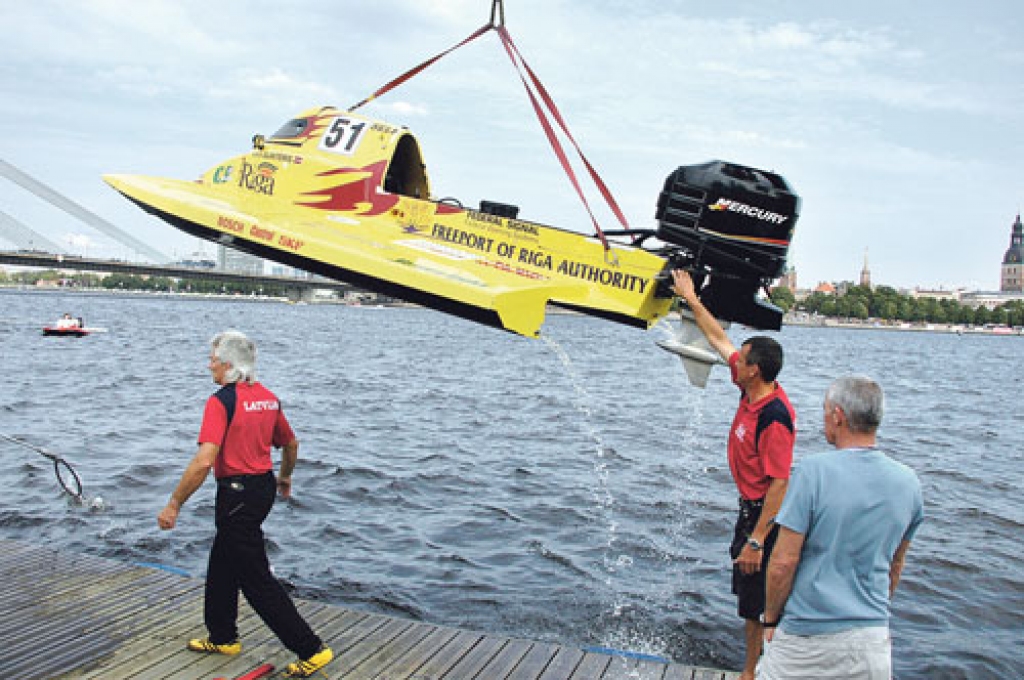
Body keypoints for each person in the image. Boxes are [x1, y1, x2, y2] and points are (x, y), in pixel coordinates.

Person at [157, 330, 333, 678]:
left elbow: (205, 460)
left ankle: (311, 649)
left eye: (212, 360)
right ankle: (223, 637)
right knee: (223, 559)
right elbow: (291, 443)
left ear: (227, 365)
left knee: (255, 578)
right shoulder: (268, 398)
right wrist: (285, 477)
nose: (209, 365)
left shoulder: (221, 401)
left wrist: (174, 503)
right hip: (262, 489)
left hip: (236, 494)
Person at [671, 270, 795, 680]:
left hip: (766, 518)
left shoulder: (774, 417)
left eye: (743, 360)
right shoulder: (750, 389)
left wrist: (757, 541)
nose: (734, 361)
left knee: (759, 597)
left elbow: (781, 483)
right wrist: (690, 297)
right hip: (752, 510)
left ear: (755, 370)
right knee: (749, 599)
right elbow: (716, 338)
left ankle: (754, 672)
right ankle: (753, 669)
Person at [758, 376, 924, 679]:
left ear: (838, 416)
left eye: (824, 411)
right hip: (871, 641)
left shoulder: (811, 472)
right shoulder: (909, 483)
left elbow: (783, 562)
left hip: (806, 639)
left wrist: (769, 619)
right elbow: (895, 566)